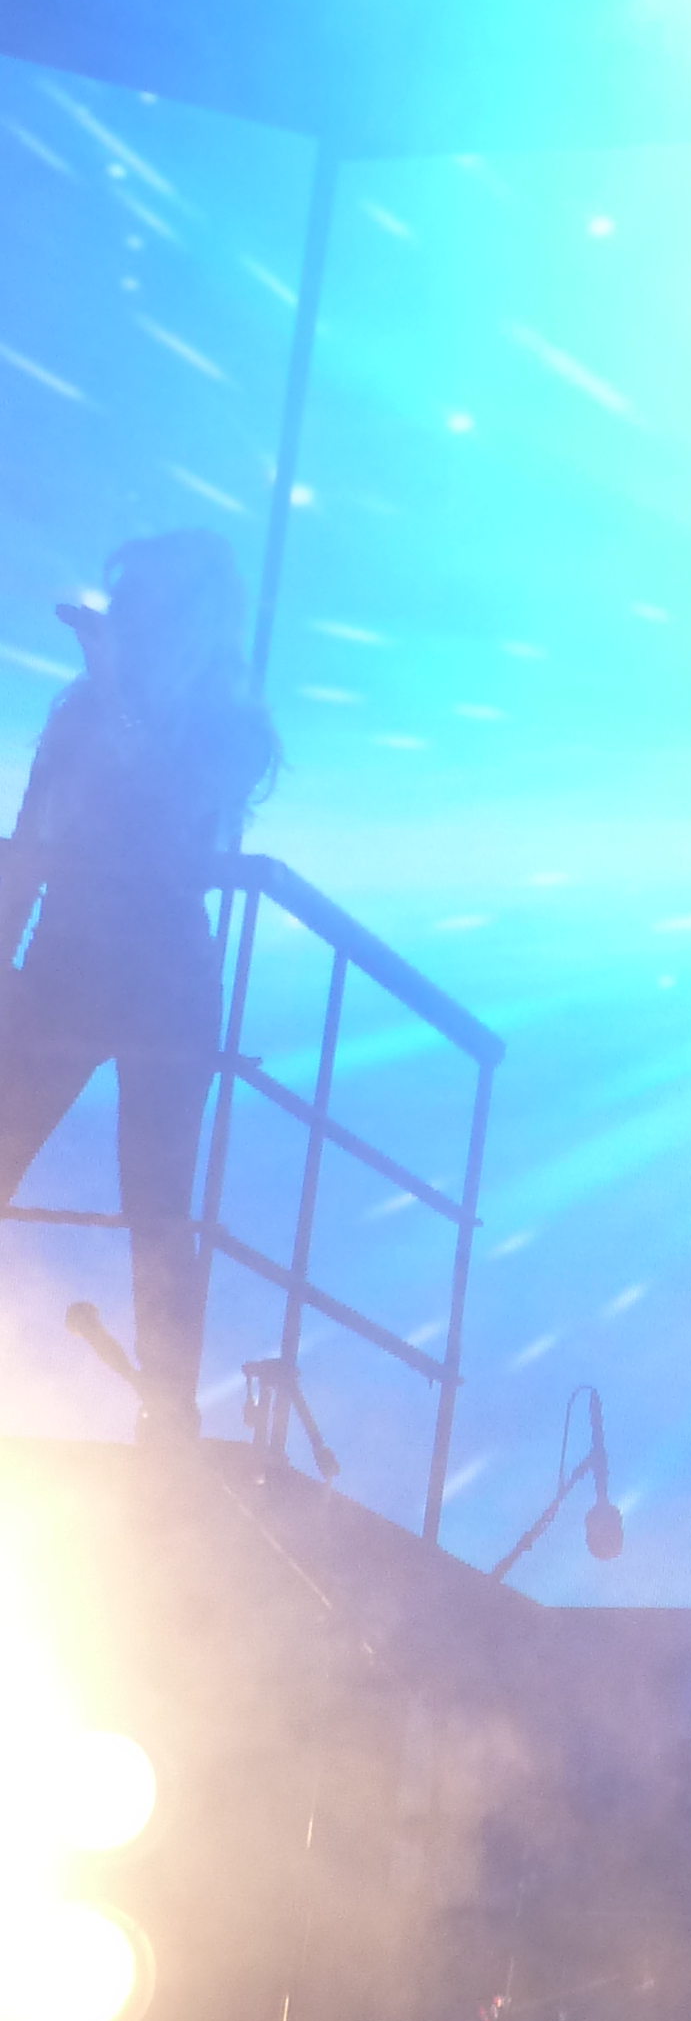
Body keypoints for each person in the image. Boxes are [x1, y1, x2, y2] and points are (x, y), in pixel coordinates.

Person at [0, 532, 277, 1440]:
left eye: (147, 603)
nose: (128, 619)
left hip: (163, 983)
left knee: (155, 1204)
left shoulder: (231, 729)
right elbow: (30, 839)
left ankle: (167, 1413)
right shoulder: (84, 713)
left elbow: (171, 813)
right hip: (66, 967)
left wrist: (119, 697)